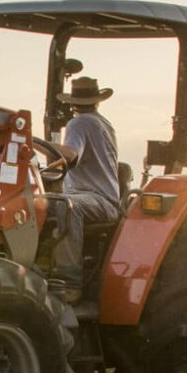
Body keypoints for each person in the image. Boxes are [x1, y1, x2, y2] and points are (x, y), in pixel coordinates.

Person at [42, 76, 123, 303]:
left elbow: (70, 155)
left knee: (63, 206)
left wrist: (31, 142)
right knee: (47, 199)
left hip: (97, 199)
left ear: (72, 102)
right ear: (97, 101)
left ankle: (68, 284)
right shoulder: (103, 123)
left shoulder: (80, 123)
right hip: (104, 199)